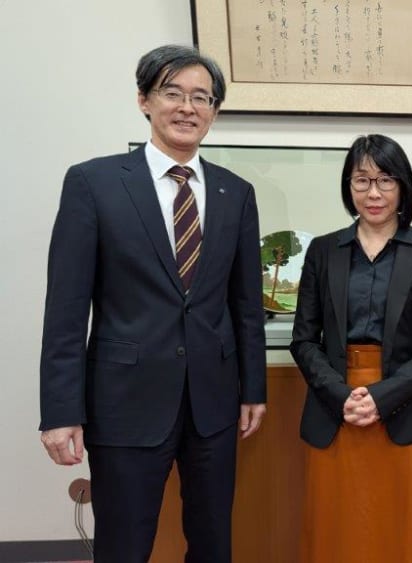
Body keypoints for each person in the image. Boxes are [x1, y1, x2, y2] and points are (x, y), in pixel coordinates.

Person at [38, 44, 267, 562]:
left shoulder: (237, 193)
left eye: (202, 98)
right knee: (124, 545)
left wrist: (252, 387)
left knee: (212, 543)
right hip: (124, 402)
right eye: (173, 93)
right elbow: (66, 311)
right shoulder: (93, 183)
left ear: (214, 111)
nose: (188, 108)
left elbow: (246, 305)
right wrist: (60, 412)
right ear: (144, 100)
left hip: (213, 405)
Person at [290, 134, 412, 562]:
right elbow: (304, 339)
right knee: (336, 530)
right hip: (335, 406)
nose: (374, 193)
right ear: (349, 186)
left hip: (404, 404)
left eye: (385, 180)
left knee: (402, 533)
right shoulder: (323, 251)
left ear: (403, 186)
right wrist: (343, 396)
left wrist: (380, 399)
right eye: (362, 180)